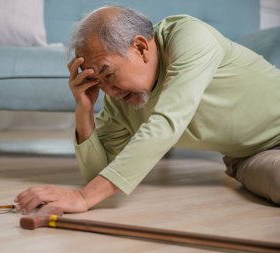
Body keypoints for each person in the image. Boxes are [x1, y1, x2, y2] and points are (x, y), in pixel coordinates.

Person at [14, 6, 280, 213]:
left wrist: (84, 197)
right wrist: (84, 109)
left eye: (108, 73)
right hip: (248, 157)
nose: (109, 91)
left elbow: (167, 122)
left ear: (140, 47)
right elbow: (99, 175)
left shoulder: (189, 37)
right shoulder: (119, 101)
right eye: (99, 82)